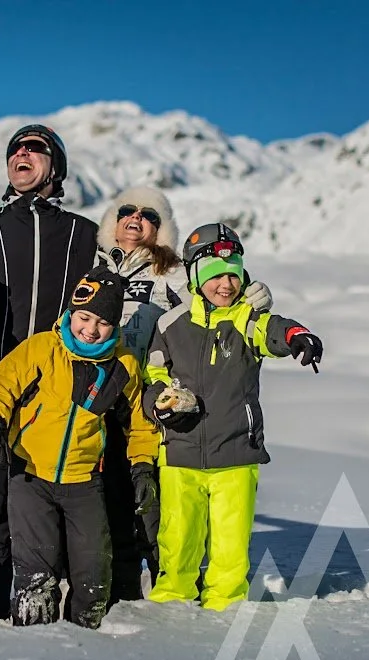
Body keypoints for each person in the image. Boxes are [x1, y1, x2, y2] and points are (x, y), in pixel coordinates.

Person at [0, 124, 101, 619]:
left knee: (41, 489)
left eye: (36, 149)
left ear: (57, 168)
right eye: (16, 150)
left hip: (53, 390)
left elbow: (139, 280)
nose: (22, 154)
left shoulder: (84, 234)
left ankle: (47, 591)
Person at [95, 187, 273, 602]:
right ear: (112, 221)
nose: (136, 218)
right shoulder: (94, 264)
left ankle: (172, 583)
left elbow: (216, 305)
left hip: (156, 405)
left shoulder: (174, 273)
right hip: (100, 397)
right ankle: (113, 585)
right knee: (107, 495)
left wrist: (253, 298)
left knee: (160, 506)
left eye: (150, 215)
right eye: (126, 210)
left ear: (162, 230)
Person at [142, 223, 323, 611]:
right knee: (177, 540)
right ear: (194, 277)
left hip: (236, 454)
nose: (225, 284)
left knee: (230, 545)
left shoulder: (246, 318)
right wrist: (160, 401)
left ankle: (225, 606)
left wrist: (297, 336)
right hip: (180, 453)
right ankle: (171, 603)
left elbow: (273, 331)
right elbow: (154, 373)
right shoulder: (170, 324)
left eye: (233, 275)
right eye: (215, 276)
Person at [0, 267, 160, 628]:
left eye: (103, 322)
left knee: (94, 574)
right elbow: (0, 385)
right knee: (36, 574)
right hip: (30, 476)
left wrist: (142, 467)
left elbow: (140, 422)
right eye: (84, 317)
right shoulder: (43, 348)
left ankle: (84, 647)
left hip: (85, 481)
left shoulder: (123, 366)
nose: (90, 330)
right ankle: (33, 648)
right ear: (71, 313)